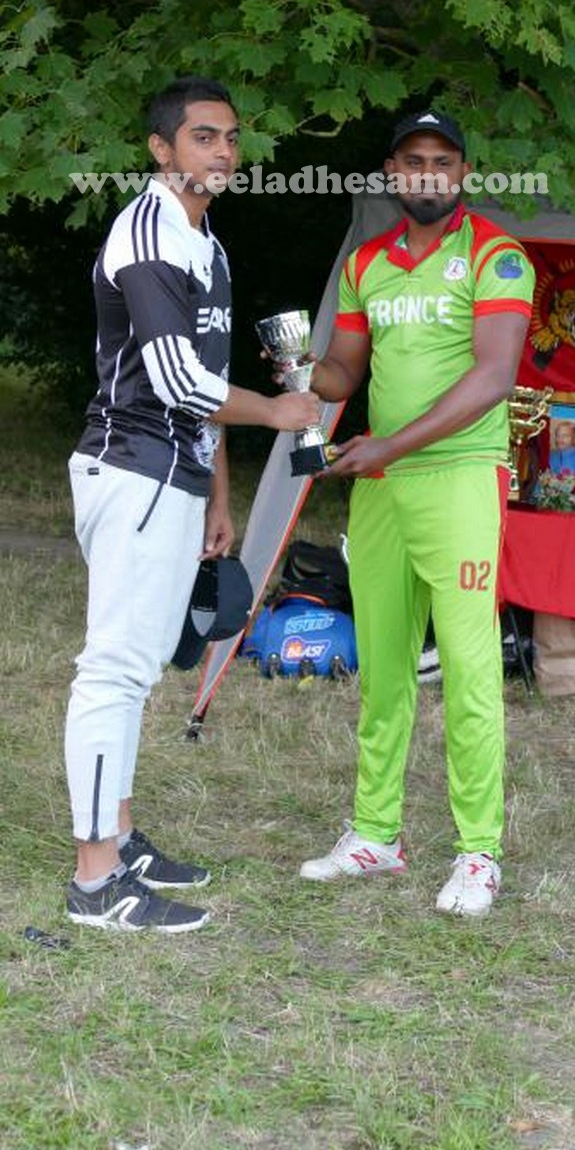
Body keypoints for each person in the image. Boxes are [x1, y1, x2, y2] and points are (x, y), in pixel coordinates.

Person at [64, 76, 320, 933]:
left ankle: (120, 840)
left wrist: (219, 493)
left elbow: (203, 382)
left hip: (175, 476)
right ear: (161, 148)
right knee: (114, 671)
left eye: (231, 138)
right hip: (131, 469)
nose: (223, 151)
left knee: (137, 674)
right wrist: (279, 411)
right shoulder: (147, 231)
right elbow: (177, 381)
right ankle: (95, 884)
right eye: (203, 136)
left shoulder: (206, 243)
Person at [300, 110, 536, 916]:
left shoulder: (497, 255)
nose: (427, 173)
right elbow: (343, 373)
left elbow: (494, 376)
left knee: (469, 668)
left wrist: (390, 446)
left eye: (443, 160)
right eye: (412, 160)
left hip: (458, 479)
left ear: (462, 172)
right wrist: (301, 368)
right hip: (382, 487)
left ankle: (478, 853)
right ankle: (375, 833)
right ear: (392, 173)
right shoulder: (367, 263)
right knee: (384, 664)